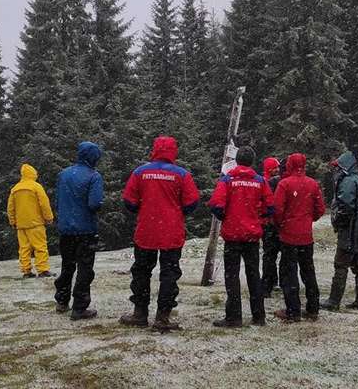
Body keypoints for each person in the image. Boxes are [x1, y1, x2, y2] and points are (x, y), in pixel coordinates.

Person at [120, 136, 200, 331]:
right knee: (169, 274)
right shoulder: (182, 174)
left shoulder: (140, 172)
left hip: (146, 230)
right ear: (174, 152)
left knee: (141, 272)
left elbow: (129, 201)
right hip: (171, 232)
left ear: (154, 150)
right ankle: (162, 317)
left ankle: (140, 313)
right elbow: (192, 203)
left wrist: (144, 209)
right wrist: (176, 211)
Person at [209, 147, 274, 328]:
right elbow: (270, 207)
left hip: (233, 234)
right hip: (252, 236)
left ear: (236, 160)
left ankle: (234, 316)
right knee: (254, 275)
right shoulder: (260, 181)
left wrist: (227, 218)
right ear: (252, 161)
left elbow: (216, 205)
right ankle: (259, 315)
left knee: (232, 276)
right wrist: (257, 218)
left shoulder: (228, 180)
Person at [54, 142, 105, 320]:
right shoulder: (94, 176)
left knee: (67, 265)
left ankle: (61, 300)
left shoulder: (63, 174)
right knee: (85, 268)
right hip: (85, 229)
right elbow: (94, 203)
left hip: (66, 228)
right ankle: (79, 307)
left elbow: (57, 200)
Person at [272, 153, 326, 322]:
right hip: (305, 235)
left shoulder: (284, 184)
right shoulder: (312, 184)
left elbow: (277, 210)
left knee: (290, 273)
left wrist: (281, 224)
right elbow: (320, 209)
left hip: (289, 235)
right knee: (308, 271)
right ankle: (313, 307)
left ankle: (293, 310)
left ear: (289, 165)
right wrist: (308, 218)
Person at [321, 151, 358, 311]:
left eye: (338, 167)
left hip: (349, 231)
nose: (336, 170)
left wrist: (338, 220)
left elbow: (346, 206)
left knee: (341, 264)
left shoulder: (348, 182)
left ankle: (334, 300)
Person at [7, 163, 54, 278]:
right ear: (33, 174)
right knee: (40, 247)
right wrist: (49, 217)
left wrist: (12, 221)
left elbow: (10, 207)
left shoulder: (15, 189)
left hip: (21, 225)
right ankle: (43, 270)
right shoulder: (36, 186)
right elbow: (44, 204)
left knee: (24, 248)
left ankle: (26, 270)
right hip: (36, 223)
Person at [261, 157, 282, 297]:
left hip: (273, 223)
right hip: (269, 223)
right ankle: (271, 281)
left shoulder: (274, 182)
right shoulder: (266, 182)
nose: (278, 170)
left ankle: (271, 282)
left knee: (270, 255)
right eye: (275, 167)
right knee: (270, 255)